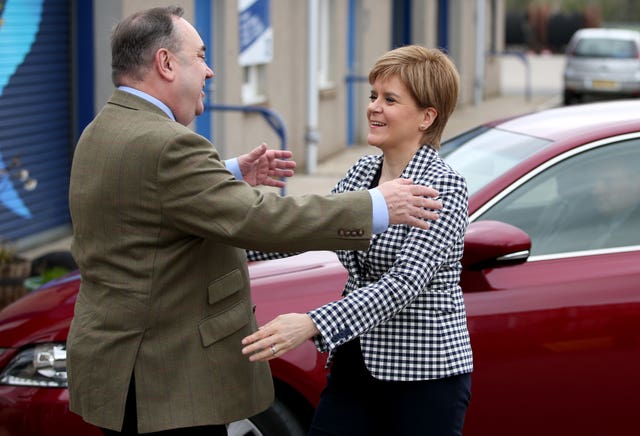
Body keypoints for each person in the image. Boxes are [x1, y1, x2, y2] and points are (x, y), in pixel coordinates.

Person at [66, 7, 442, 436]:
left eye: (389, 99)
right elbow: (262, 220)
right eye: (200, 56)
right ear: (166, 64)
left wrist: (224, 174)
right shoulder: (169, 145)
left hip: (119, 368)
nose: (209, 71)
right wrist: (374, 206)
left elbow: (146, 195)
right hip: (164, 380)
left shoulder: (103, 128)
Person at [241, 45, 473, 436]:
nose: (374, 107)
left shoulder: (444, 185)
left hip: (424, 376)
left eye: (390, 99)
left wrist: (312, 322)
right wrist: (226, 239)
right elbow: (310, 229)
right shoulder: (363, 171)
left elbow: (404, 284)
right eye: (373, 96)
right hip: (357, 364)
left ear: (426, 117)